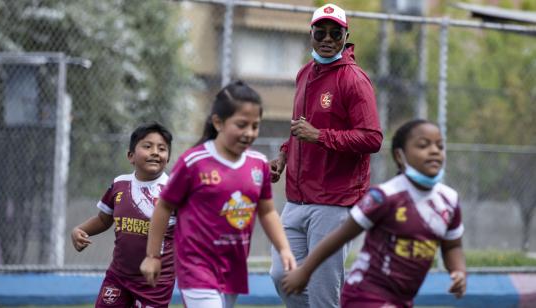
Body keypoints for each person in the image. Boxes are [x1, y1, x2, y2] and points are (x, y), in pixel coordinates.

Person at [140, 80, 296, 308]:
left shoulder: (258, 164)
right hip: (196, 265)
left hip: (233, 266)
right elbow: (163, 207)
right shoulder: (194, 162)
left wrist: (284, 249)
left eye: (255, 126)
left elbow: (267, 211)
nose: (249, 133)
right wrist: (153, 256)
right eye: (241, 125)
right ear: (218, 122)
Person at [281, 119, 467, 307]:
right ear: (400, 156)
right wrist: (305, 271)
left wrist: (458, 271)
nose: (434, 150)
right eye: (423, 145)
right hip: (365, 294)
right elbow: (339, 237)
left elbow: (452, 246)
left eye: (440, 146)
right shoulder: (384, 197)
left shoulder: (449, 201)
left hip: (402, 300)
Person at [269, 3, 382, 308]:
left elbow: (372, 138)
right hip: (296, 198)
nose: (328, 38)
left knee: (322, 292)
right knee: (282, 276)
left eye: (336, 32)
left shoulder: (353, 79)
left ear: (347, 35)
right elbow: (300, 130)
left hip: (334, 203)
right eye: (321, 32)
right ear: (312, 33)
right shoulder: (305, 73)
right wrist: (283, 156)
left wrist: (321, 137)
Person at [71, 122, 175, 308]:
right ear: (131, 156)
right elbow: (104, 219)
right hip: (118, 276)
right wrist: (79, 230)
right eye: (147, 146)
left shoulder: (173, 190)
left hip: (154, 281)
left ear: (167, 158)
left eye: (162, 148)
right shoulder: (120, 184)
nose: (155, 152)